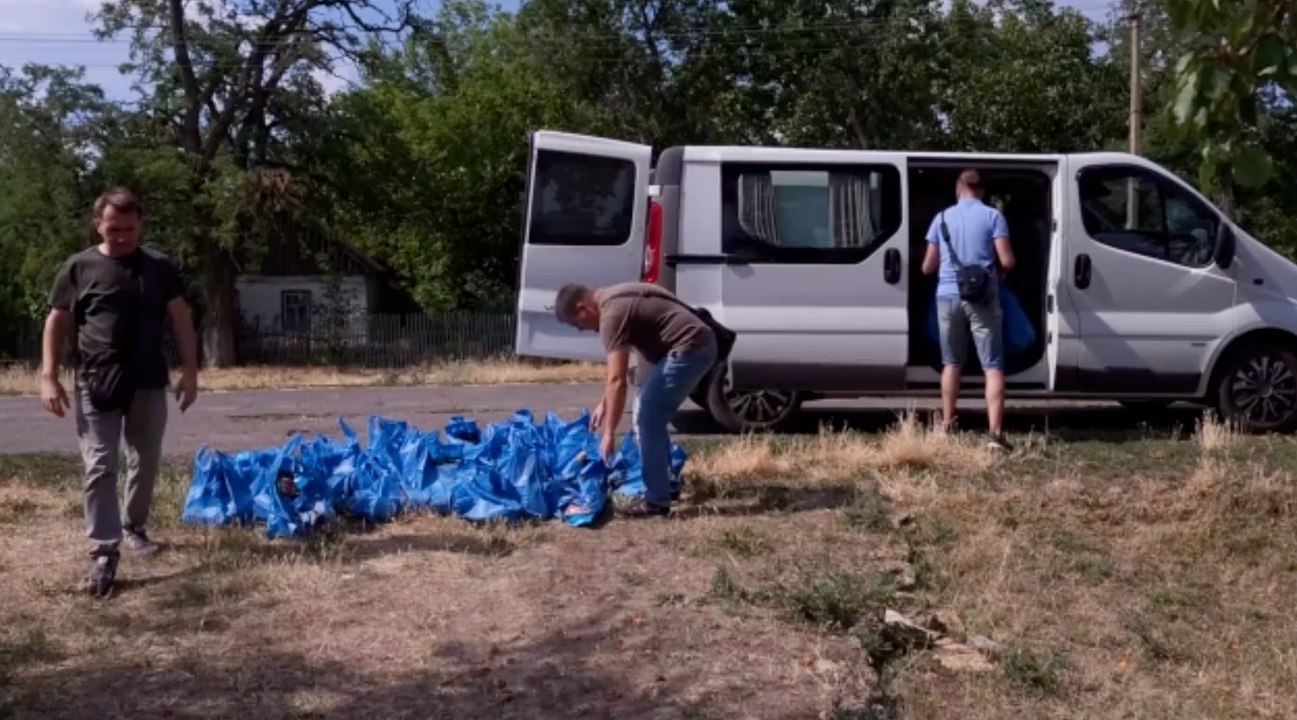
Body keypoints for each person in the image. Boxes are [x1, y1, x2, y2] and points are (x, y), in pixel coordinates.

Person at [40, 187, 200, 597]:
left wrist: (191, 372)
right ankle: (104, 550)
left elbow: (180, 318)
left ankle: (135, 527)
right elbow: (56, 320)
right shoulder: (79, 267)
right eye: (114, 227)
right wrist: (48, 375)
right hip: (96, 383)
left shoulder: (159, 268)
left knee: (144, 461)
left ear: (140, 225)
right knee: (99, 465)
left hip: (148, 381)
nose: (122, 235)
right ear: (99, 224)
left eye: (129, 228)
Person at [553, 281, 718, 518]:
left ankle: (657, 502)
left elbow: (617, 380)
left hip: (692, 347)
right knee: (644, 413)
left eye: (576, 324)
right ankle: (665, 484)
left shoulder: (611, 315)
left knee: (648, 419)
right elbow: (616, 375)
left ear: (583, 308)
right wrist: (604, 403)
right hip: (683, 345)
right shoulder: (613, 296)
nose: (581, 330)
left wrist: (609, 434)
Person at [921, 169, 1015, 450]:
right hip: (983, 297)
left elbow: (928, 266)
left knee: (951, 363)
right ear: (982, 191)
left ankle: (948, 425)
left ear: (958, 188)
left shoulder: (941, 218)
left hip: (948, 295)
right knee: (993, 365)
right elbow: (1008, 260)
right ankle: (995, 435)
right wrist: (997, 275)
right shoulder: (993, 216)